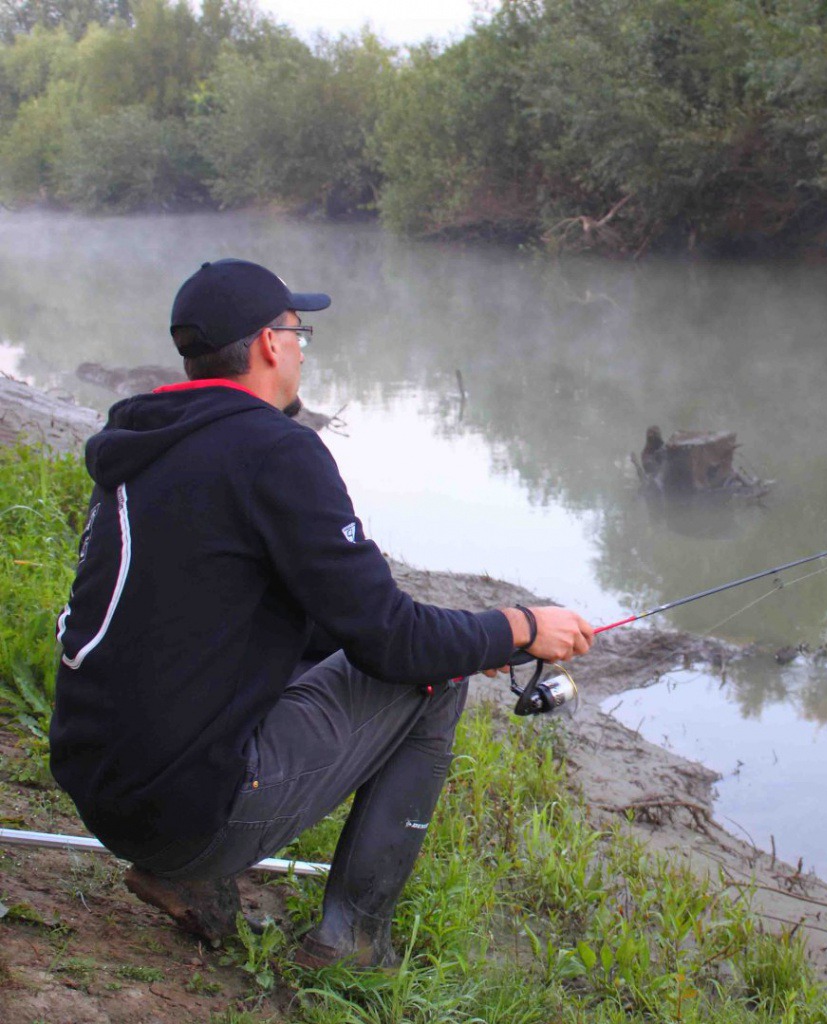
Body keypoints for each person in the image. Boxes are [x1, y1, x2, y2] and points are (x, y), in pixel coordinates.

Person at [49, 258, 595, 968]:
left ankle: (186, 871)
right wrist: (522, 627)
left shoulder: (151, 441)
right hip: (180, 810)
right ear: (270, 344)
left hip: (101, 784)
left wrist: (470, 638)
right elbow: (393, 643)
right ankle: (355, 941)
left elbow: (303, 619)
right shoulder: (277, 451)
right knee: (435, 685)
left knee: (413, 656)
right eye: (297, 331)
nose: (303, 347)